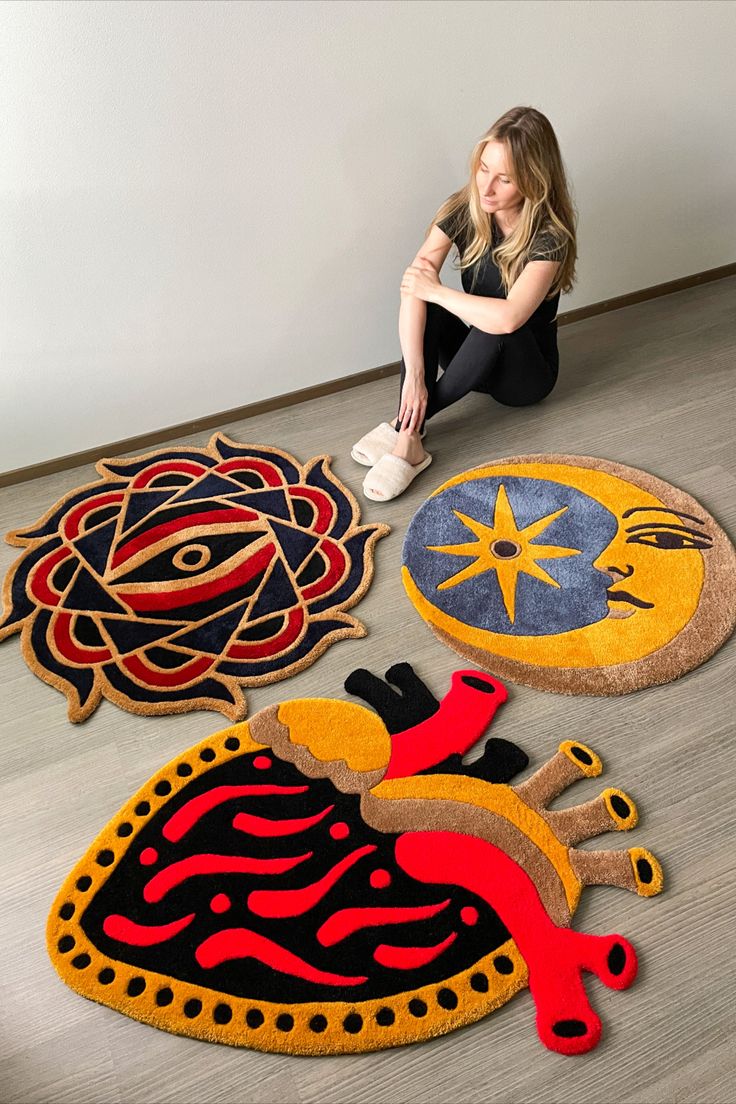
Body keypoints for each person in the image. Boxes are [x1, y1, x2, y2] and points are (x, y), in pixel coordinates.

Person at [352, 105, 578, 501]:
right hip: (474, 360)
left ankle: (406, 434)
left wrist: (435, 290)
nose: (486, 187)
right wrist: (417, 377)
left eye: (504, 179)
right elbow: (413, 286)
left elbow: (509, 319)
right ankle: (412, 424)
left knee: (495, 320)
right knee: (427, 303)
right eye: (483, 168)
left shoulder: (549, 237)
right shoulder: (467, 206)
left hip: (524, 377)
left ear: (534, 181)